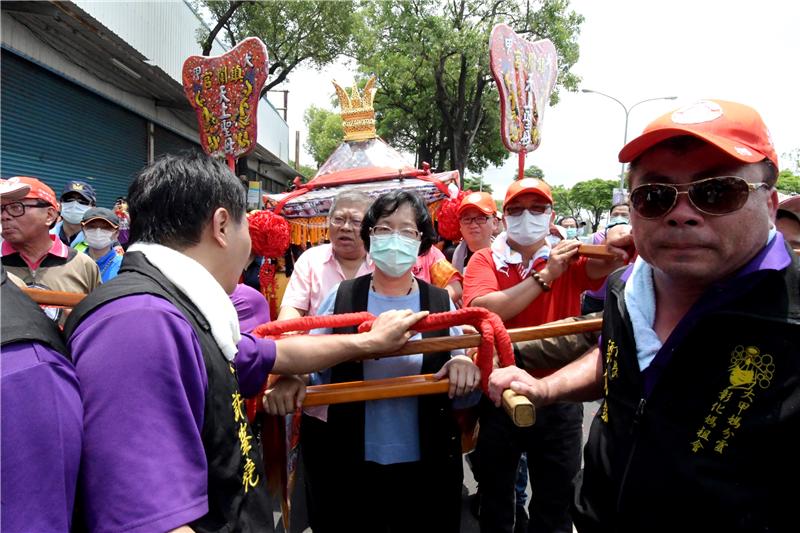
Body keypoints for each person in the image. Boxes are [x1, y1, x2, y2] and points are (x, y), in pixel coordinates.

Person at [63, 152, 426, 533]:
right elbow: (147, 520)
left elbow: (273, 354)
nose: (251, 244)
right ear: (222, 226)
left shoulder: (181, 310)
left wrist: (367, 343)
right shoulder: (139, 325)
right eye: (246, 227)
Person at [488, 99, 799, 532]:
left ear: (769, 202)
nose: (682, 215)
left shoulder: (792, 312)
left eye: (717, 192)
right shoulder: (625, 286)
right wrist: (545, 388)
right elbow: (616, 358)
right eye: (656, 196)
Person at [266, 189, 480, 532]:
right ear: (370, 236)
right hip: (348, 462)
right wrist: (293, 379)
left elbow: (464, 373)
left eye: (407, 230)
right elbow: (313, 365)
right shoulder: (344, 296)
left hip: (428, 463)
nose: (394, 238)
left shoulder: (439, 301)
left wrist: (463, 368)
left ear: (421, 241)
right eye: (383, 228)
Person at [462, 177, 628, 533]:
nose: (528, 216)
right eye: (518, 209)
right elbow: (485, 311)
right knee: (496, 499)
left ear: (551, 215)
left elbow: (616, 263)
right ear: (504, 218)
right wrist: (547, 274)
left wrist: (622, 240)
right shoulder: (484, 259)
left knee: (556, 502)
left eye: (537, 208)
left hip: (558, 391)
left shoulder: (573, 254)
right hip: (499, 393)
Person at [1, 176, 100, 323]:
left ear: (49, 215)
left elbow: (98, 320)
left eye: (16, 207)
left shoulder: (83, 265)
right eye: (1, 209)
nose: (4, 216)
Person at [278, 189, 374, 320]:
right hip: (319, 339)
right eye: (338, 219)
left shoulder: (381, 262)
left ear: (370, 228)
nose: (345, 227)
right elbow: (292, 310)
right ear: (329, 221)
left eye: (356, 221)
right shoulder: (310, 260)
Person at [452, 191, 499, 274]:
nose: (473, 225)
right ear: (460, 226)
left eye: (480, 218)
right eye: (467, 219)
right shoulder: (450, 257)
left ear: (494, 223)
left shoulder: (507, 259)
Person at [81, 207, 124, 283]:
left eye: (106, 227)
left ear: (116, 233)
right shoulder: (74, 262)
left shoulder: (122, 267)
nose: (98, 232)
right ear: (83, 230)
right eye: (92, 226)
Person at [52, 179, 97, 251]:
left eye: (82, 201)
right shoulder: (44, 236)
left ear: (93, 208)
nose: (74, 204)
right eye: (69, 200)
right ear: (60, 205)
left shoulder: (99, 242)